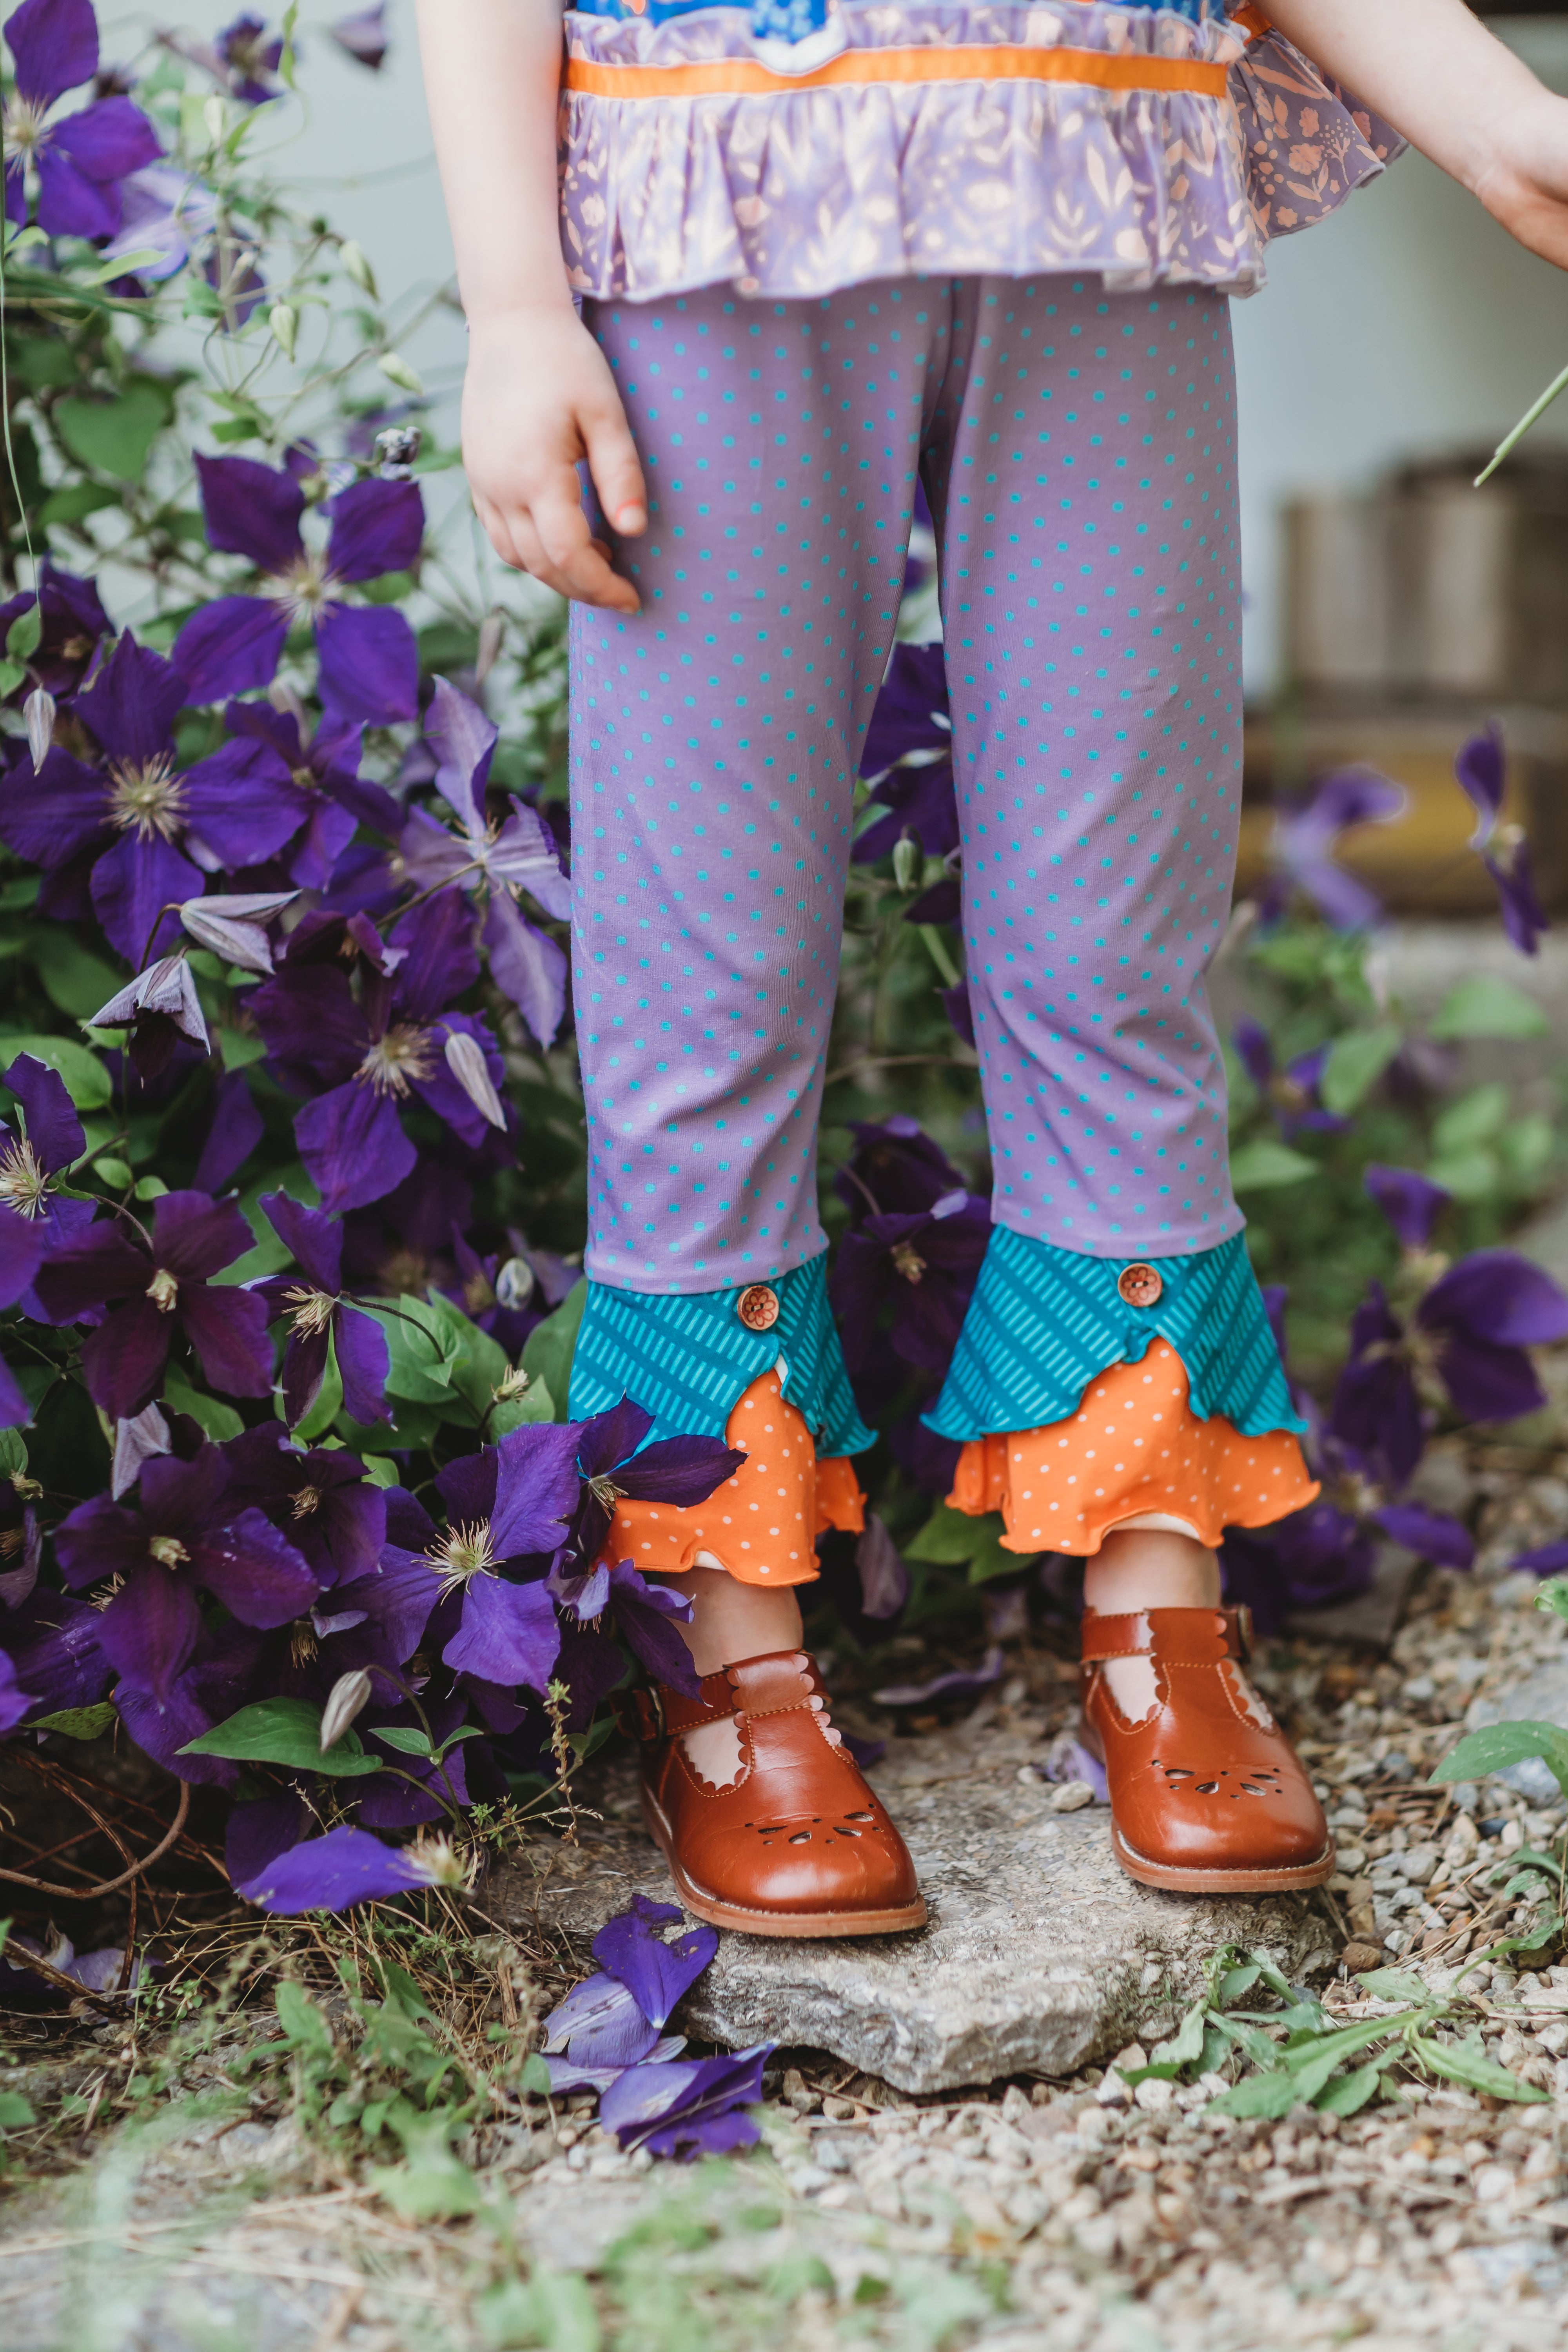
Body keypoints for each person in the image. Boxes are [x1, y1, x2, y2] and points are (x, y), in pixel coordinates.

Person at [416, 0, 1568, 1935]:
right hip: (719, 184)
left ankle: (1152, 1602)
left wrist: (1501, 118)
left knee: (1114, 944)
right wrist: (514, 307)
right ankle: (728, 1644)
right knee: (709, 961)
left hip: (1099, 166)